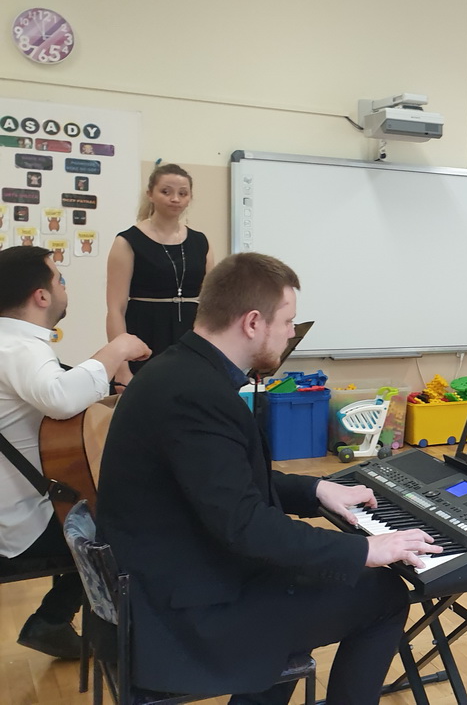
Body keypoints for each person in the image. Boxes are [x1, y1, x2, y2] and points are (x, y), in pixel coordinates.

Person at [96, 252, 441, 703]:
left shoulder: (178, 371)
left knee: (314, 581)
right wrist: (365, 550)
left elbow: (221, 485)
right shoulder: (197, 395)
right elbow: (244, 525)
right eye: (288, 321)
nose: (292, 333)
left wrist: (316, 488)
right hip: (185, 615)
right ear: (253, 322)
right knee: (383, 595)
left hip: (171, 579)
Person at [0, 246, 150, 660]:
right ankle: (124, 647)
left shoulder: (11, 344)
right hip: (19, 522)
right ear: (41, 296)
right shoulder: (18, 348)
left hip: (15, 507)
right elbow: (60, 397)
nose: (65, 287)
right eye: (60, 279)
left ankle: (54, 620)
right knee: (129, 523)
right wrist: (117, 348)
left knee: (100, 505)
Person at [105, 164, 213, 384]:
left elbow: (212, 303)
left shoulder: (201, 241)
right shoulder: (127, 241)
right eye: (166, 191)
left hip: (190, 339)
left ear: (190, 198)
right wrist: (121, 369)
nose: (175, 199)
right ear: (150, 194)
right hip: (145, 336)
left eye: (183, 193)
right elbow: (116, 310)